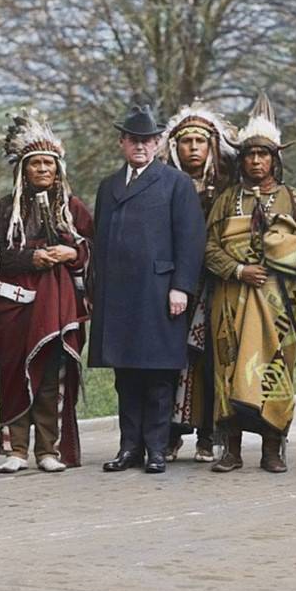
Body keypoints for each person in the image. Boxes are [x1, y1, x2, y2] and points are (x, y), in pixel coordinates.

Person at [89, 105, 206, 474]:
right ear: (122, 143)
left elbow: (190, 241)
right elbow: (99, 242)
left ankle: (157, 449)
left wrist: (181, 288)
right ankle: (129, 448)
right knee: (126, 374)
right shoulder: (108, 186)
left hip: (158, 291)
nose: (140, 146)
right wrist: (95, 290)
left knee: (158, 374)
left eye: (148, 140)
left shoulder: (175, 183)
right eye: (133, 140)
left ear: (158, 144)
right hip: (119, 294)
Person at [205, 93, 296, 473]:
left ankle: (272, 448)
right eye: (249, 155)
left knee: (274, 368)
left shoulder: (294, 200)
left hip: (277, 306)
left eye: (263, 155)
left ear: (274, 159)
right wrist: (238, 270)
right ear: (242, 160)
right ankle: (231, 449)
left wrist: (283, 268)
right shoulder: (224, 201)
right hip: (231, 299)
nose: (255, 161)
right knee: (230, 369)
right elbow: (209, 248)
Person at [0, 112, 93, 473]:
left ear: (58, 167)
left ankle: (48, 450)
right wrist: (29, 258)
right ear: (22, 169)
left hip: (58, 306)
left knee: (52, 374)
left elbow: (94, 248)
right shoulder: (4, 211)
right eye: (35, 164)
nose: (43, 169)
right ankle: (16, 449)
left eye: (48, 163)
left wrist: (73, 253)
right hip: (14, 305)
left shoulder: (73, 207)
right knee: (13, 373)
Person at [158, 98, 236, 463]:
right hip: (173, 284)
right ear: (175, 146)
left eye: (200, 141)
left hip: (216, 283)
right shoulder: (161, 186)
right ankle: (171, 434)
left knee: (210, 359)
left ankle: (208, 435)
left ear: (212, 146)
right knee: (173, 357)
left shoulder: (226, 189)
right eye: (186, 141)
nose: (193, 148)